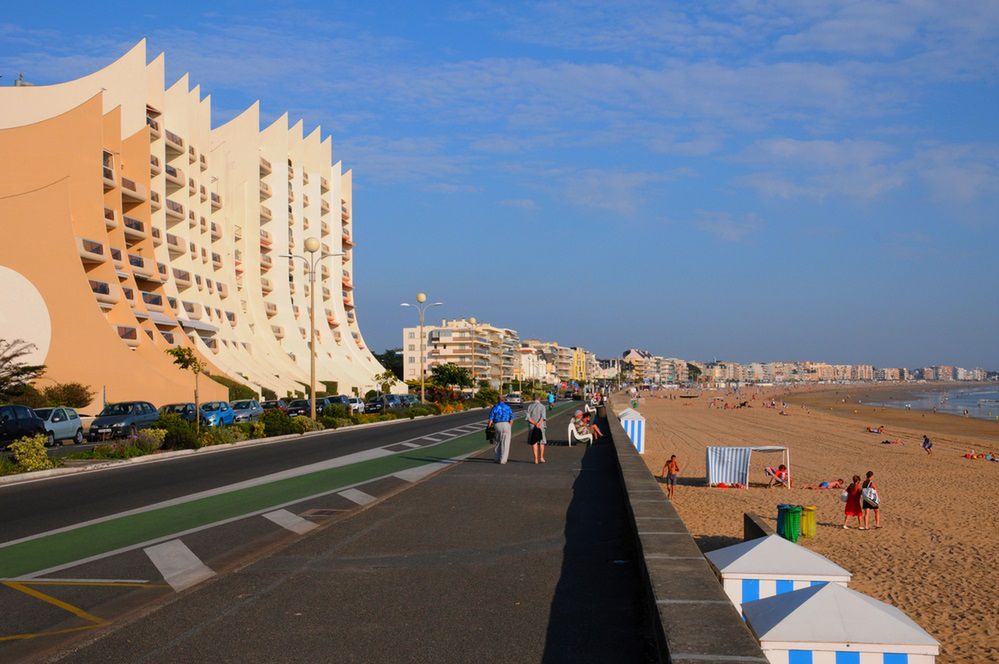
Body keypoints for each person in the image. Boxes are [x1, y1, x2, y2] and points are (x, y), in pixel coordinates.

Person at [488, 395, 515, 464]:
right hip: (506, 424)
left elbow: (491, 419)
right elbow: (511, 419)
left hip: (497, 424)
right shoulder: (508, 407)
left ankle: (497, 458)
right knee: (505, 443)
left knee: (498, 441)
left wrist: (489, 428)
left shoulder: (495, 407)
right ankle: (503, 460)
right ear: (504, 400)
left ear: (498, 400)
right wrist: (509, 427)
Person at [525, 394, 547, 464]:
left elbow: (528, 418)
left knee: (534, 442)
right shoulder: (542, 406)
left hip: (532, 427)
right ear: (539, 398)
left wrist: (534, 423)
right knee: (542, 442)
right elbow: (543, 417)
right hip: (540, 426)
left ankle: (536, 459)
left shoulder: (530, 406)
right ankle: (541, 458)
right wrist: (538, 424)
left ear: (533, 399)